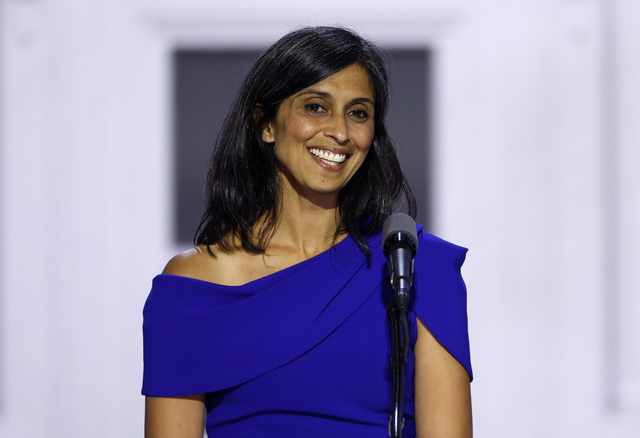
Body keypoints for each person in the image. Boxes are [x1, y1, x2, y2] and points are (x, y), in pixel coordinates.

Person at [142, 26, 472, 437]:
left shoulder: (419, 264)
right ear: (266, 124)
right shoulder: (192, 290)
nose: (339, 132)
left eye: (358, 113)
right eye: (316, 107)